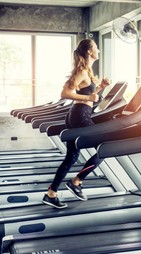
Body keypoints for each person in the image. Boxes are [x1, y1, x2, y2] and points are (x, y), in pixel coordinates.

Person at [42, 38, 110, 209]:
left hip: (78, 114)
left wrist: (100, 86)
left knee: (71, 157)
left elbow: (88, 93)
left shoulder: (87, 71)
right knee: (106, 147)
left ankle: (51, 193)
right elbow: (65, 92)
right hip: (80, 114)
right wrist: (88, 97)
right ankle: (77, 181)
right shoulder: (81, 71)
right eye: (96, 48)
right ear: (89, 52)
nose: (99, 50)